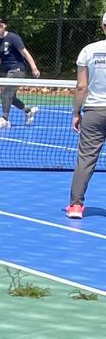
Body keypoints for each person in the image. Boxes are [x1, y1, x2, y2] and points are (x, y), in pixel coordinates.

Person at [69, 13, 106, 220]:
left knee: (85, 160)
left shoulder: (88, 51)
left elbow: (81, 86)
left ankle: (75, 206)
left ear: (103, 26)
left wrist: (76, 112)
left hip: (94, 112)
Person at [0, 16, 40, 127]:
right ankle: (28, 111)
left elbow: (25, 53)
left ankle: (4, 119)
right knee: (11, 97)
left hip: (18, 69)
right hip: (9, 71)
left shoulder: (13, 37)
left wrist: (34, 68)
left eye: (0, 25)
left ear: (5, 26)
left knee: (5, 92)